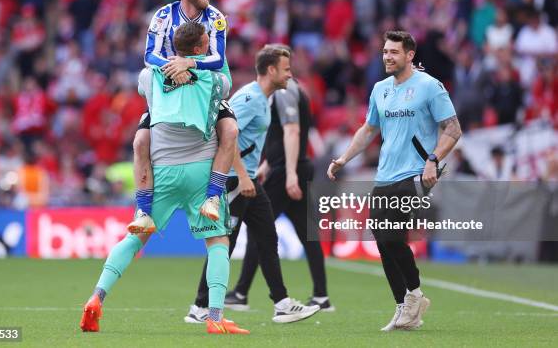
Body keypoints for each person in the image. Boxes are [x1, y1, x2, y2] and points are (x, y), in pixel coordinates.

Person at [80, 22, 249, 335]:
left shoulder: (149, 76)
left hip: (161, 172)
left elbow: (147, 79)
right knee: (217, 242)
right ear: (200, 49)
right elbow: (222, 86)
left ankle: (96, 297)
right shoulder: (215, 80)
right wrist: (194, 67)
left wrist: (171, 68)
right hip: (201, 170)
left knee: (135, 238)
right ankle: (214, 316)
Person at [327, 31, 462, 331]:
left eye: (394, 52)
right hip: (385, 174)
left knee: (389, 235)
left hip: (416, 173)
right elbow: (368, 129)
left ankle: (412, 296)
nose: (387, 57)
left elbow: (453, 130)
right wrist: (344, 158)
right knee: (383, 235)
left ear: (410, 55)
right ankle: (407, 302)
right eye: (385, 52)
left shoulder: (429, 86)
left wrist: (433, 160)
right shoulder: (380, 89)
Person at [185, 45, 320, 324]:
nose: (290, 75)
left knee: (268, 238)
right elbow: (226, 137)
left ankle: (281, 302)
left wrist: (256, 171)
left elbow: (247, 142)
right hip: (235, 181)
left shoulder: (263, 98)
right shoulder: (250, 99)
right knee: (225, 242)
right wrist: (244, 177)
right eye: (286, 69)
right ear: (271, 70)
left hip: (248, 179)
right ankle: (199, 307)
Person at [128, 0, 237, 235]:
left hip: (206, 81)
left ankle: (212, 196)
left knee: (230, 130)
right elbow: (148, 55)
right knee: (140, 140)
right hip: (169, 79)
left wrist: (189, 64)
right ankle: (143, 210)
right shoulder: (163, 16)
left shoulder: (216, 18)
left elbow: (217, 57)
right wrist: (173, 67)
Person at [224, 46, 333, 312]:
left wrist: (288, 172)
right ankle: (320, 295)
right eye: (286, 68)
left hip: (286, 171)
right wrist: (268, 164)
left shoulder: (284, 92)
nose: (289, 73)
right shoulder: (293, 90)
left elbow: (291, 131)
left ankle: (239, 292)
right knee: (303, 233)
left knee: (260, 230)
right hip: (286, 167)